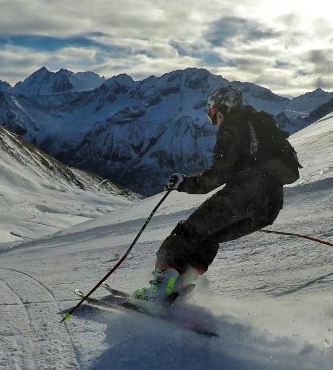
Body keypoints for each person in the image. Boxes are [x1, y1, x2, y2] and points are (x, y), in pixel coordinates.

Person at [128, 86, 301, 313]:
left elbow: (219, 174)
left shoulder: (233, 125)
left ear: (222, 108)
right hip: (269, 207)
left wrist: (184, 183)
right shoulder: (260, 124)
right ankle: (179, 290)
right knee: (207, 238)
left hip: (243, 194)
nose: (212, 118)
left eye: (212, 112)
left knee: (186, 233)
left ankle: (158, 292)